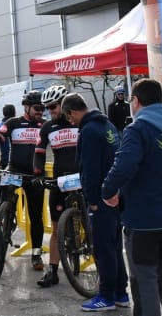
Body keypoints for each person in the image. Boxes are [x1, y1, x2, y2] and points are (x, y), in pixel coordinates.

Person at [101, 79, 162, 316]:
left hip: (143, 219)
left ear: (136, 101)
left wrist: (108, 191)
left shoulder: (137, 130)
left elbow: (123, 166)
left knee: (144, 279)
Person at [61, 93, 129, 311]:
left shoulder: (89, 131)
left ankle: (106, 296)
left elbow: (89, 169)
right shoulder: (107, 125)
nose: (70, 122)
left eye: (68, 117)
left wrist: (92, 201)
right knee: (115, 247)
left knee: (103, 249)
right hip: (116, 196)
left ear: (72, 112)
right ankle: (120, 292)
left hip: (101, 199)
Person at [0, 90, 46, 271]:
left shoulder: (45, 125)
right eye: (37, 108)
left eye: (42, 108)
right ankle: (3, 217)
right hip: (15, 170)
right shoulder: (13, 123)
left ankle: (36, 254)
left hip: (35, 175)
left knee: (36, 216)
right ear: (26, 107)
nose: (40, 111)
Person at [33, 85, 76, 287]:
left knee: (90, 224)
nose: (50, 111)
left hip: (81, 179)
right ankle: (53, 271)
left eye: (53, 107)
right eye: (48, 107)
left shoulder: (78, 122)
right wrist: (39, 174)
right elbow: (39, 153)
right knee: (57, 228)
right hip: (59, 180)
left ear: (64, 104)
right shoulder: (47, 128)